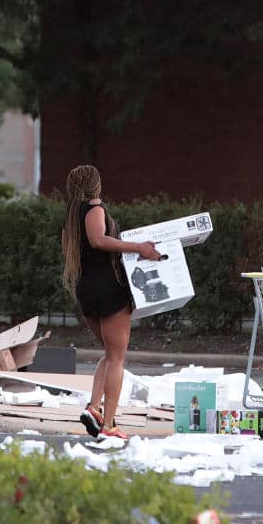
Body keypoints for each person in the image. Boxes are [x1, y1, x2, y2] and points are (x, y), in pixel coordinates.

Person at [62, 164, 161, 440]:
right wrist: (138, 248)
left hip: (87, 290)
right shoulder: (94, 210)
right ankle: (108, 425)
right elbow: (98, 241)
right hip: (108, 288)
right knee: (117, 358)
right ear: (95, 185)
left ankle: (93, 409)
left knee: (109, 353)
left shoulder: (71, 216)